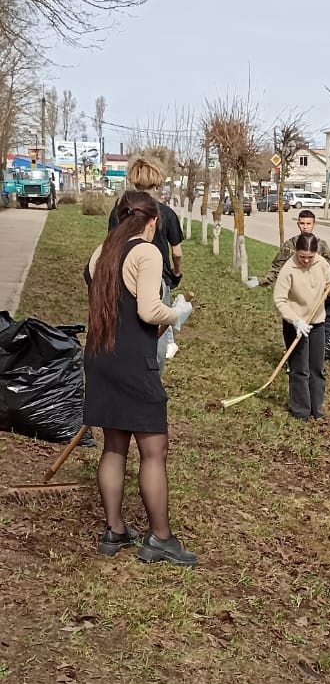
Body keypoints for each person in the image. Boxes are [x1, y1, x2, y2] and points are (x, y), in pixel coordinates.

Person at [84, 188, 197, 565]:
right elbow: (149, 311)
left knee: (114, 446)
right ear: (151, 221)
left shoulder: (100, 254)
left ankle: (115, 530)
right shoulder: (145, 252)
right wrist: (177, 312)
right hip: (134, 364)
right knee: (153, 451)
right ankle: (161, 538)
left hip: (101, 359)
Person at [109, 154, 184, 369]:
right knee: (156, 331)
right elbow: (177, 252)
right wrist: (176, 273)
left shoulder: (119, 212)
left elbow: (110, 244)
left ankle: (127, 369)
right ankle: (152, 375)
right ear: (158, 180)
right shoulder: (166, 214)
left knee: (125, 326)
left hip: (122, 275)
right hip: (157, 279)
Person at [273, 234, 330, 420]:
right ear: (296, 251)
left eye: (309, 257)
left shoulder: (322, 264)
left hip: (317, 323)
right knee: (299, 368)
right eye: (302, 256)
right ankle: (301, 411)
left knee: (316, 368)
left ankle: (316, 409)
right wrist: (295, 320)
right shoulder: (289, 269)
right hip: (295, 325)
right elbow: (279, 300)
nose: (305, 260)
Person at [252, 209, 330, 289]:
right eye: (302, 223)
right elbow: (277, 269)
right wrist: (260, 281)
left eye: (308, 224)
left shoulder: (321, 245)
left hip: (316, 290)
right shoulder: (289, 245)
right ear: (298, 224)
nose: (305, 227)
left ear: (314, 224)